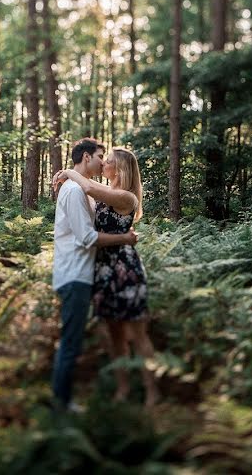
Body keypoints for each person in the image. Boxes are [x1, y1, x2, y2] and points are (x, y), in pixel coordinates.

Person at [53, 147, 159, 407]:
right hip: (102, 269)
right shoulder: (106, 191)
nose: (104, 165)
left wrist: (68, 171)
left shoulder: (126, 197)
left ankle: (152, 391)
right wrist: (65, 187)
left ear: (119, 168)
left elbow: (89, 189)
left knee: (137, 334)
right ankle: (123, 390)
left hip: (124, 267)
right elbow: (83, 197)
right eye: (103, 160)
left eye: (108, 162)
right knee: (115, 336)